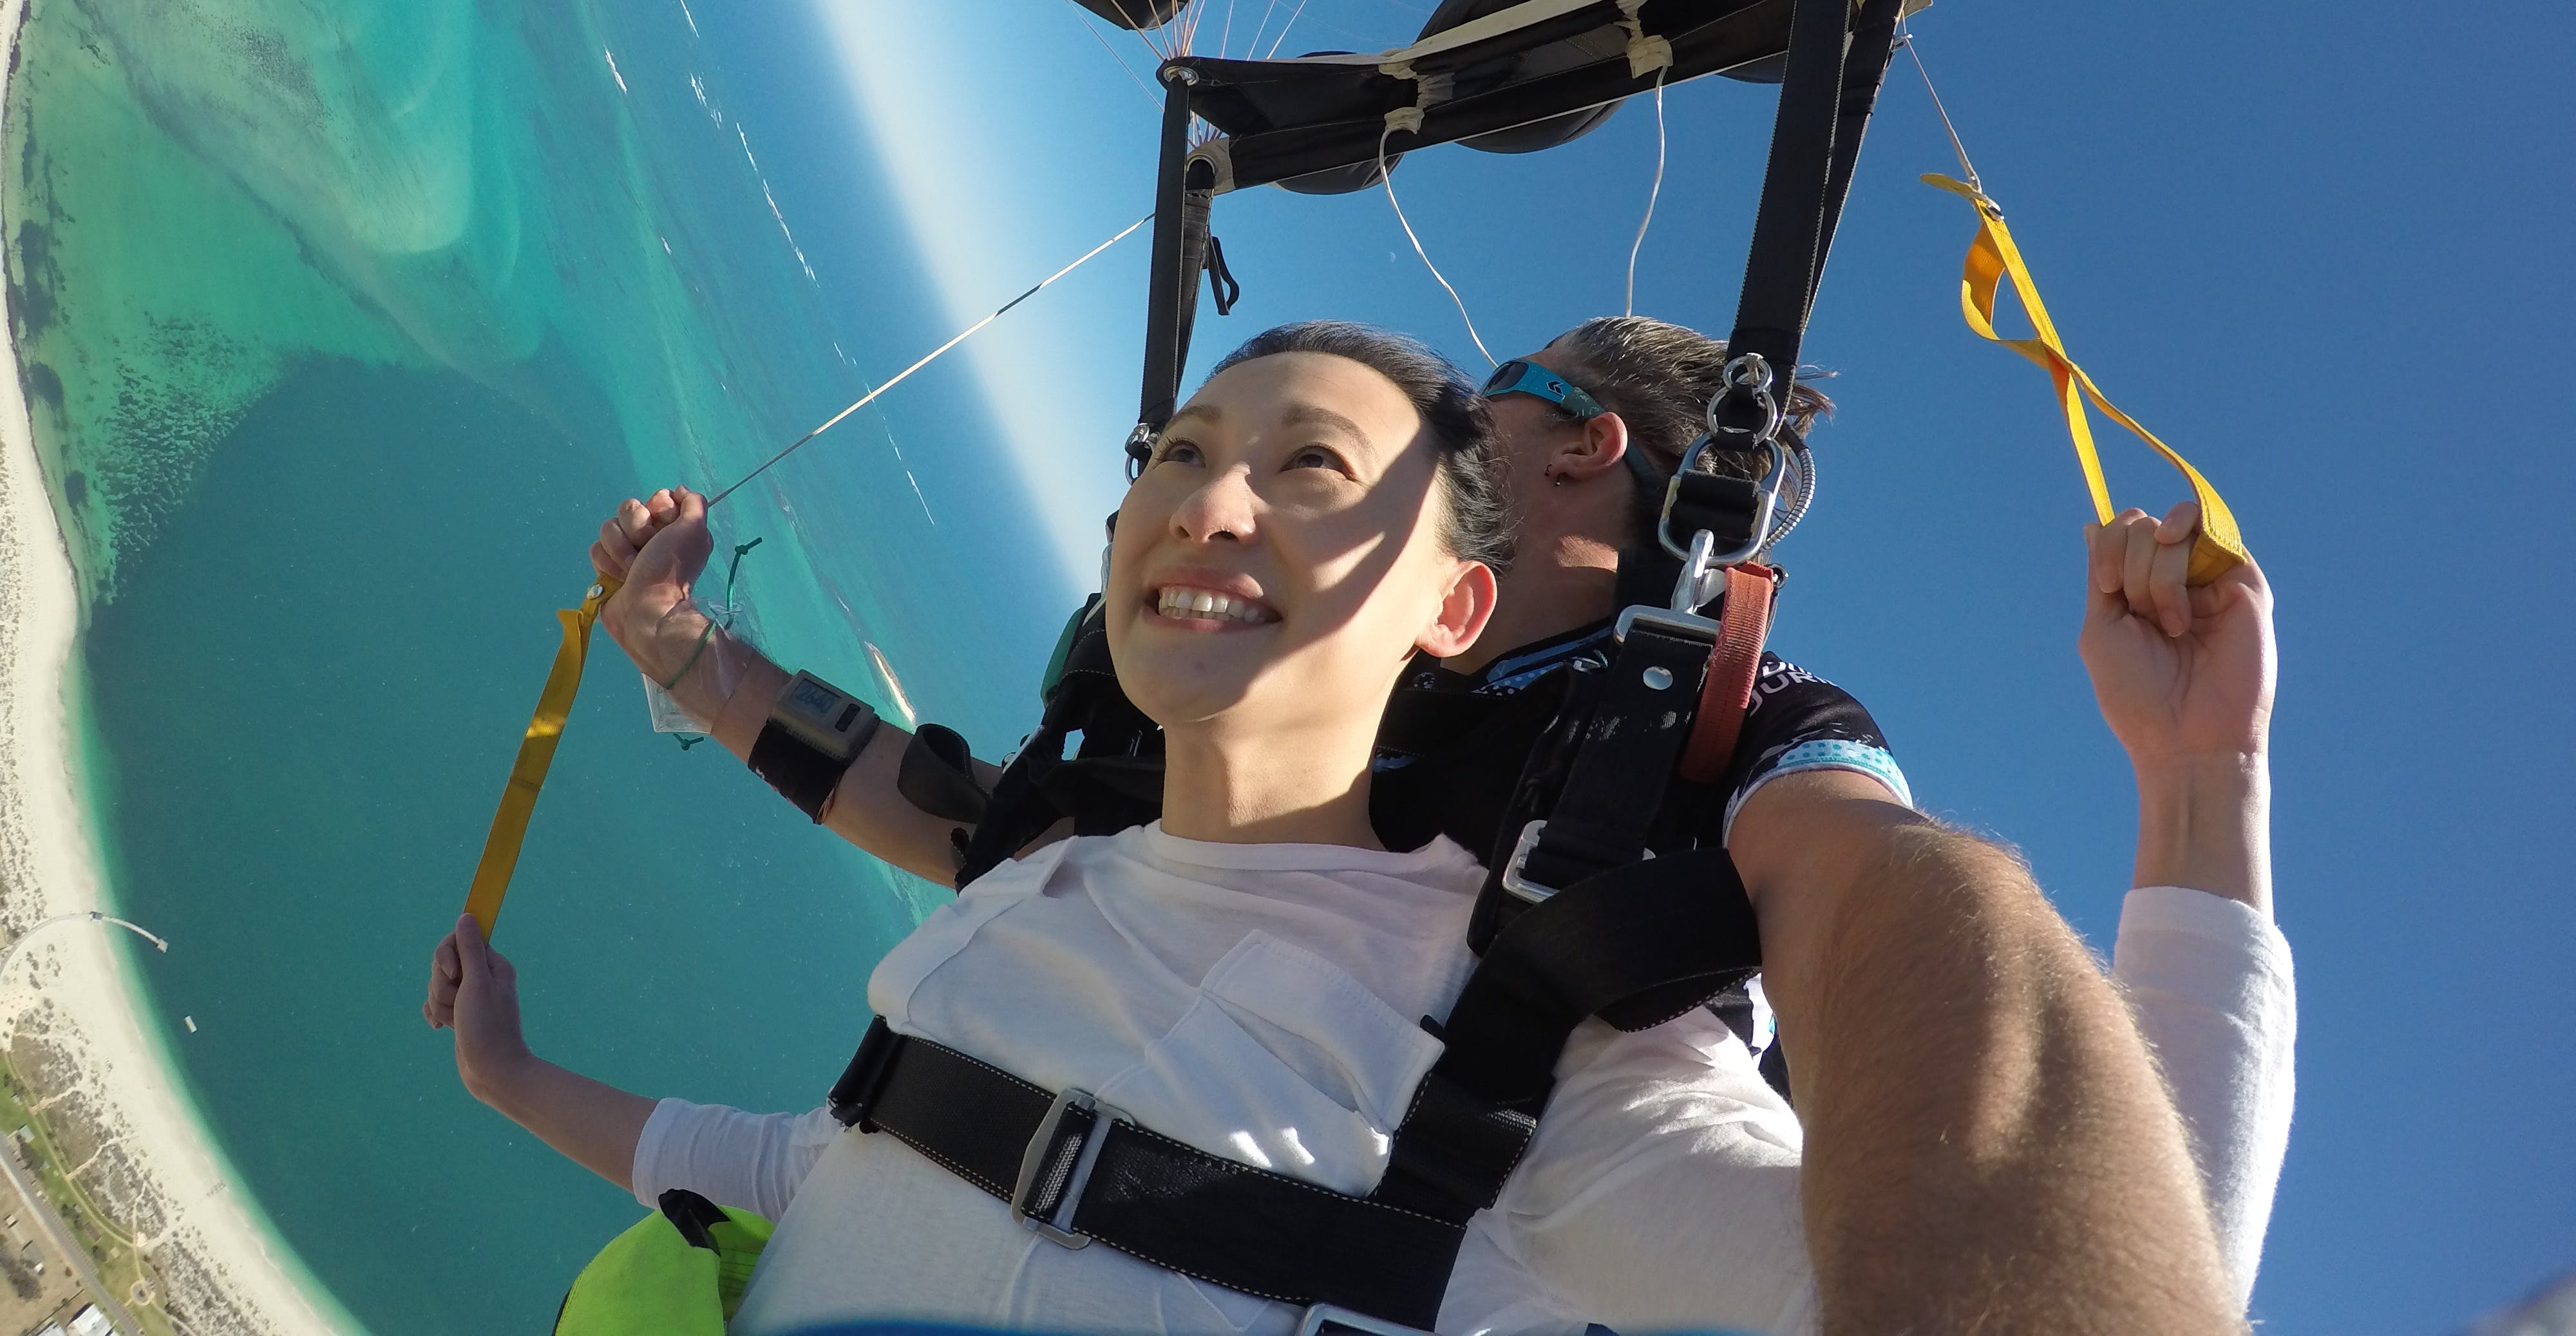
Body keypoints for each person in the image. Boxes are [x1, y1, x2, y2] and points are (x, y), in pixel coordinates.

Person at [430, 323, 2264, 1333]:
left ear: (1576, 455)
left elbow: (1905, 938)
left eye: (1328, 458)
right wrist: (687, 655)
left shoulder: (1615, 951)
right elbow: (962, 862)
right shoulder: (1124, 838)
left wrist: (2196, 800)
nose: (1211, 499)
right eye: (1179, 452)